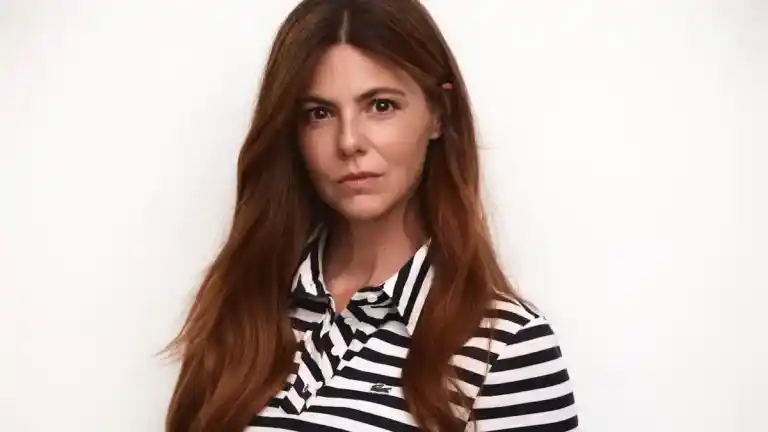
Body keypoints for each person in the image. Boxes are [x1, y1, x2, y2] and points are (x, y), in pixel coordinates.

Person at [164, 0, 579, 431]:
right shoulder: (245, 304)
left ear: (439, 112)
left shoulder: (507, 347)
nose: (349, 142)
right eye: (319, 114)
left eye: (381, 106)